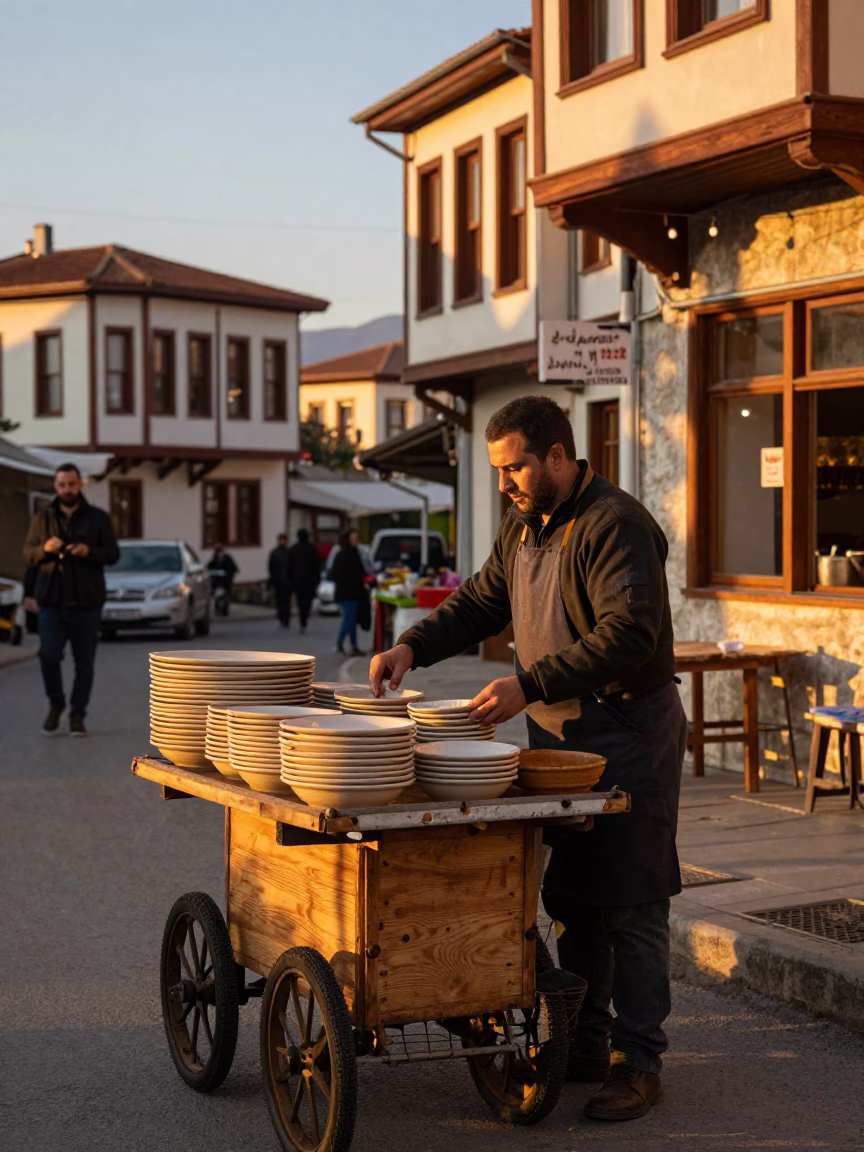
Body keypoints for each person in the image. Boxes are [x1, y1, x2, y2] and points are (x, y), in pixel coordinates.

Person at [370, 395, 687, 1123]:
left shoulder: (617, 524)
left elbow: (628, 635)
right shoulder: (522, 524)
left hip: (629, 730)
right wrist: (412, 646)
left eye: (515, 466)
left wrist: (528, 683)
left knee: (632, 901)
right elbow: (482, 601)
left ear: (556, 455)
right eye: (498, 470)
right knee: (573, 896)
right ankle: (584, 1041)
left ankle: (640, 1062)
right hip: (556, 737)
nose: (505, 482)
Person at [23, 462, 119, 736]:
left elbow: (113, 554)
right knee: (49, 655)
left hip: (86, 603)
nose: (67, 489)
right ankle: (56, 704)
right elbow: (28, 554)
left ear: (80, 484)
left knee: (84, 664)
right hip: (51, 602)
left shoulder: (98, 518)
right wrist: (45, 548)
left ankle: (78, 715)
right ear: (56, 487)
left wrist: (88, 551)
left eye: (71, 484)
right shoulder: (43, 518)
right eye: (62, 485)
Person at [331, 528, 367, 656]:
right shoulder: (344, 555)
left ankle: (349, 646)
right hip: (348, 593)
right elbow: (337, 574)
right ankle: (343, 644)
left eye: (357, 539)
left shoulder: (353, 553)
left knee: (350, 620)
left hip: (350, 593)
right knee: (349, 619)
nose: (355, 541)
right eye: (353, 539)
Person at [287, 528, 322, 633]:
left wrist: (290, 579)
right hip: (310, 580)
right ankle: (304, 617)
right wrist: (318, 579)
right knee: (308, 601)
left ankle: (302, 619)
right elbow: (317, 565)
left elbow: (289, 566)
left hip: (298, 580)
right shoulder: (312, 548)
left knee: (301, 601)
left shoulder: (294, 549)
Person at [268, 533, 292, 628]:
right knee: (279, 600)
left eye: (284, 540)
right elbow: (271, 567)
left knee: (286, 600)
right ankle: (281, 616)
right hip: (278, 580)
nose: (282, 542)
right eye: (281, 540)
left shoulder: (289, 552)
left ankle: (286, 618)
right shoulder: (275, 553)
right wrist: (272, 578)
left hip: (287, 580)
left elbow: (292, 567)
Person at [208, 545, 238, 613]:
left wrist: (229, 576)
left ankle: (224, 609)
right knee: (217, 594)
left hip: (225, 582)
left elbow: (233, 569)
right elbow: (210, 568)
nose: (219, 554)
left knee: (226, 595)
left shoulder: (227, 558)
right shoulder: (214, 559)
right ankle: (218, 607)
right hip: (217, 581)